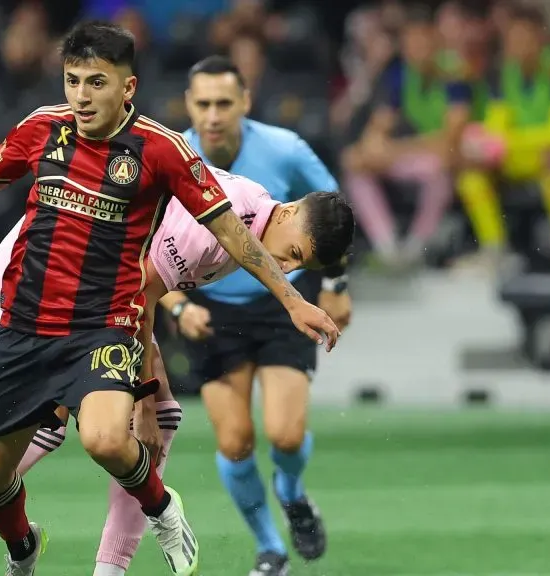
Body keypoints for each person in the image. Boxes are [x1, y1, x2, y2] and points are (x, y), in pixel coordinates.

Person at [0, 21, 339, 576]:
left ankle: (145, 522)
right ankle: (15, 550)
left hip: (101, 322)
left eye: (96, 83)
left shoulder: (162, 150)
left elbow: (220, 239)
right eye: (72, 81)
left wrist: (291, 301)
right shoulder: (45, 127)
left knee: (113, 437)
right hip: (27, 311)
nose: (82, 96)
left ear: (127, 88)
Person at [0, 167, 353, 576]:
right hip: (46, 279)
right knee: (115, 422)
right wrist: (143, 402)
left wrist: (147, 397)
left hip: (91, 290)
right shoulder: (219, 225)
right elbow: (139, 295)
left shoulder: (252, 215)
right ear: (290, 210)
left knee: (111, 422)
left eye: (300, 266)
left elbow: (141, 288)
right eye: (293, 252)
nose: (287, 266)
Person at [176, 55, 348, 576]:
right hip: (209, 307)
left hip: (282, 305)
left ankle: (292, 495)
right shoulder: (174, 155)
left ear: (245, 102)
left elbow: (335, 215)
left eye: (223, 103)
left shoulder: (284, 148)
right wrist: (178, 305)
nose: (212, 115)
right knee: (233, 441)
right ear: (188, 104)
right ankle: (270, 547)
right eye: (202, 103)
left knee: (286, 435)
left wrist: (337, 284)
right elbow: (146, 240)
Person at [342, 9, 471, 267]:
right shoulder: (400, 76)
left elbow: (449, 140)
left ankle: (417, 245)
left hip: (446, 159)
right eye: (411, 43)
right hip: (412, 157)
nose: (417, 49)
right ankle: (387, 245)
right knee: (355, 166)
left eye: (423, 42)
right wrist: (368, 149)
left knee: (439, 169)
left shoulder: (455, 75)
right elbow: (380, 125)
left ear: (435, 42)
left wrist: (393, 150)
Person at [457, 6, 550, 265]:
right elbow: (496, 126)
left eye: (524, 38)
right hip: (517, 156)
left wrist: (510, 142)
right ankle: (495, 249)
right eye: (513, 39)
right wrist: (488, 148)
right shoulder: (501, 74)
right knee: (471, 177)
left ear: (541, 38)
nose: (518, 45)